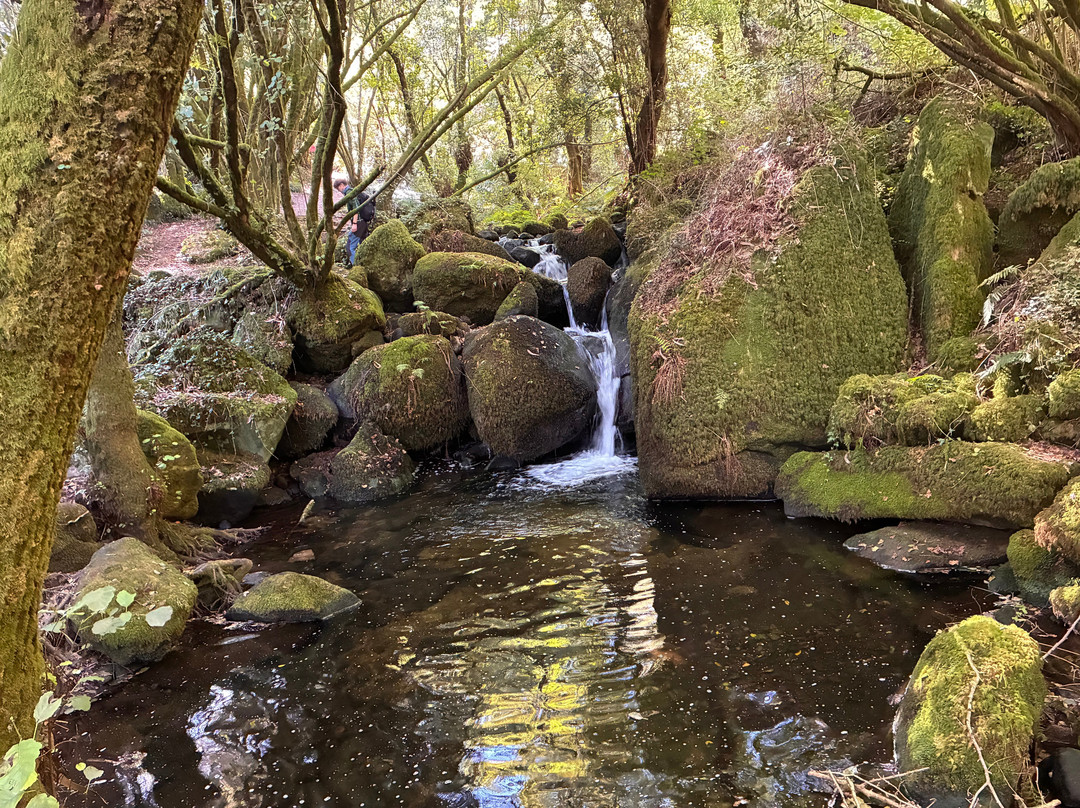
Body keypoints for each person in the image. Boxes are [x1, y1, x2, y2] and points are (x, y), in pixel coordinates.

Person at [333, 178, 376, 265]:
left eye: (338, 188)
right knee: (363, 245)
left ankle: (356, 267)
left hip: (359, 223)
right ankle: (367, 265)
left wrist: (354, 224)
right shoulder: (354, 191)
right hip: (363, 222)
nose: (339, 191)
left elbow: (356, 208)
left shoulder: (350, 193)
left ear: (341, 185)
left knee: (350, 247)